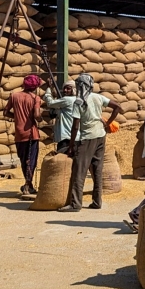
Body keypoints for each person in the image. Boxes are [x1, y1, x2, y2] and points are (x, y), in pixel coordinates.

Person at [59, 74, 122, 213]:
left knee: (79, 171)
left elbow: (75, 126)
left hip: (87, 138)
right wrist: (108, 123)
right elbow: (117, 106)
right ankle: (97, 201)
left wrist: (71, 145)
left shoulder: (79, 102)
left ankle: (75, 204)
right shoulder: (98, 97)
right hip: (101, 136)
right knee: (97, 170)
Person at [4, 74, 42, 195]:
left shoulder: (14, 96)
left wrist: (16, 118)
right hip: (31, 133)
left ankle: (28, 184)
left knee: (23, 159)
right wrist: (40, 119)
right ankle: (27, 184)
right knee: (31, 160)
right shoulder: (35, 98)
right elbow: (36, 115)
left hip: (19, 134)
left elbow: (6, 112)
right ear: (35, 87)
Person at [42, 80, 78, 154]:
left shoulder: (67, 100)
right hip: (76, 137)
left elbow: (50, 103)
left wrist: (48, 89)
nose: (65, 90)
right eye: (64, 88)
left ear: (74, 89)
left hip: (66, 137)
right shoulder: (77, 100)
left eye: (68, 88)